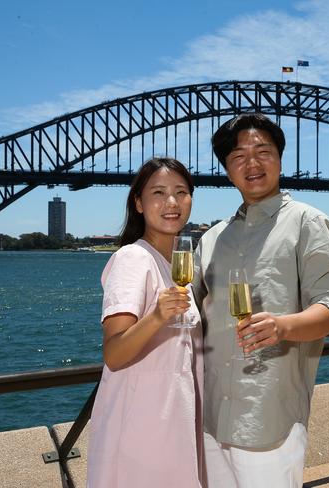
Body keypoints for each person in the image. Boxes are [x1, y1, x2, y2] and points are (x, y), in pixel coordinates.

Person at [193, 113, 329, 488]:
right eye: (238, 157)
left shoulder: (307, 223)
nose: (252, 163)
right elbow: (188, 313)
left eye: (263, 151)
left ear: (280, 158)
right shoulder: (212, 238)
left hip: (269, 416)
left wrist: (283, 325)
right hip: (211, 416)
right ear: (227, 171)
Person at [87, 157, 204, 488]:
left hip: (172, 426)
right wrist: (157, 315)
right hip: (143, 435)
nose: (171, 202)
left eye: (181, 192)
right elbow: (115, 352)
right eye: (158, 193)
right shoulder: (132, 259)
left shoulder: (174, 266)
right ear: (138, 203)